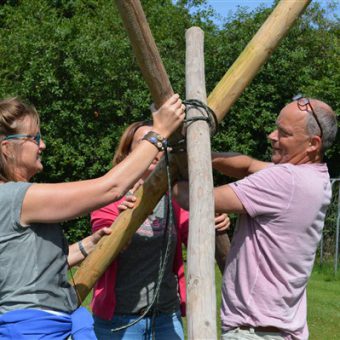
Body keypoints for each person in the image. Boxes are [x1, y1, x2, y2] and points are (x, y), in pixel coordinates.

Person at [0, 94, 185, 339]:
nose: (42, 145)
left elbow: (38, 265)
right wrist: (158, 132)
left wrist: (91, 243)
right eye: (34, 138)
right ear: (7, 148)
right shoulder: (16, 197)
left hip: (41, 325)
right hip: (31, 329)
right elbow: (110, 188)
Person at [175, 96, 337, 340]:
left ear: (313, 144)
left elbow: (199, 198)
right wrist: (198, 153)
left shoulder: (285, 181)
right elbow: (247, 165)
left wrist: (162, 176)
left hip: (255, 332)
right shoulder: (315, 176)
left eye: (284, 133)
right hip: (278, 330)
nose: (272, 136)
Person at [90, 120, 230, 340]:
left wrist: (215, 219)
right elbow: (101, 248)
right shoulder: (109, 199)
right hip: (119, 321)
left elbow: (195, 233)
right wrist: (123, 218)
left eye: (161, 144)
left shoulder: (174, 199)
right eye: (146, 143)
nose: (156, 150)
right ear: (128, 154)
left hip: (166, 316)